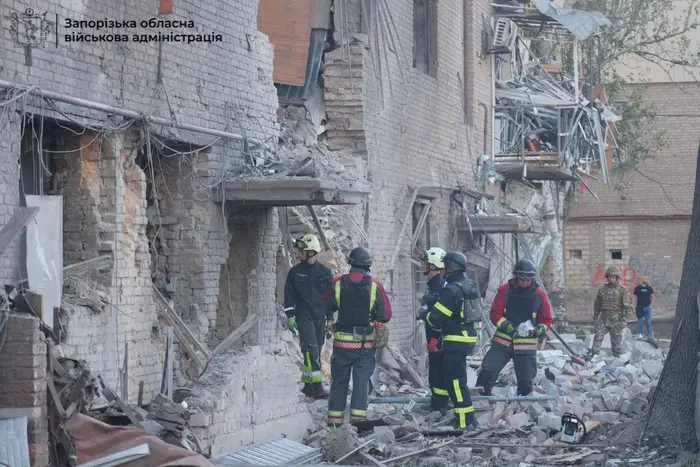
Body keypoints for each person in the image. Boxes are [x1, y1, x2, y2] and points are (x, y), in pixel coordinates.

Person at [323, 247, 392, 426]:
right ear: (368, 265)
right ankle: (357, 421)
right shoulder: (375, 286)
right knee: (361, 382)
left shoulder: (337, 283)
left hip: (342, 344)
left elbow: (326, 307)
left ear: (350, 262)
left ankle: (334, 422)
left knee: (339, 382)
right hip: (365, 345)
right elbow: (386, 315)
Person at [475, 259, 552, 397]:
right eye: (521, 279)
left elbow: (546, 320)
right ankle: (480, 399)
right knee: (488, 370)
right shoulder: (505, 290)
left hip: (526, 345)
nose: (524, 283)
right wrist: (507, 326)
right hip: (503, 341)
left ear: (533, 278)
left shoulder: (539, 295)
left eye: (528, 280)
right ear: (516, 277)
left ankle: (523, 410)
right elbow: (495, 314)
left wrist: (538, 330)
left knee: (526, 380)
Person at [422, 251, 480, 430]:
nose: (443, 272)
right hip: (466, 338)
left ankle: (465, 421)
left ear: (450, 269)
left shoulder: (451, 289)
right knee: (456, 380)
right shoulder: (467, 285)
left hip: (455, 340)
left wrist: (425, 314)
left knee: (456, 381)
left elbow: (438, 316)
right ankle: (464, 418)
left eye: (445, 268)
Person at [283, 233, 333, 399]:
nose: (298, 254)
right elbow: (288, 295)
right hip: (303, 315)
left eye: (301, 252)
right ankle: (317, 388)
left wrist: (330, 317)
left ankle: (309, 386)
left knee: (315, 350)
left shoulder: (325, 272)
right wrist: (290, 315)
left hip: (320, 317)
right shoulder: (295, 272)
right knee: (311, 348)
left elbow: (330, 297)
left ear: (311, 252)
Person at [417, 247, 448, 412]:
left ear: (434, 265)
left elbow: (440, 315)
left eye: (427, 264)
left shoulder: (440, 287)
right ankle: (437, 403)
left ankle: (440, 406)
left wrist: (436, 337)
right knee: (434, 372)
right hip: (433, 337)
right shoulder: (434, 286)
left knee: (438, 372)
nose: (425, 268)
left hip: (438, 338)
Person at [588, 266, 634, 358]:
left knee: (616, 343)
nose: (610, 278)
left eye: (613, 277)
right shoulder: (602, 290)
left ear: (617, 278)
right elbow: (597, 306)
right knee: (597, 337)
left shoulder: (622, 291)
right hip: (603, 319)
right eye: (609, 276)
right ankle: (593, 357)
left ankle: (616, 359)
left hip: (616, 321)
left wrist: (625, 320)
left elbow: (628, 307)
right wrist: (595, 318)